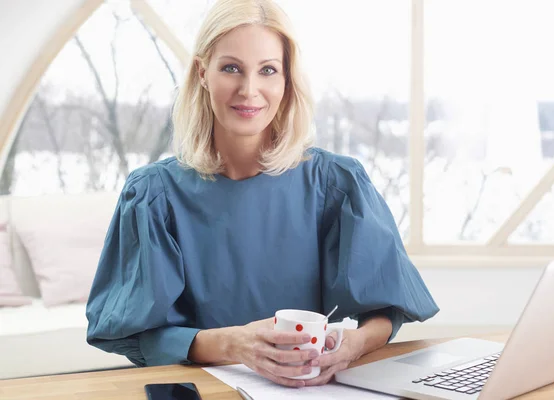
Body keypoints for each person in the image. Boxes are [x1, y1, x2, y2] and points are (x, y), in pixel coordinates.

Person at [86, 0, 439, 388]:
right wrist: (235, 344)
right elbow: (133, 333)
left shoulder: (335, 183)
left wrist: (352, 345)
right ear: (203, 73)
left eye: (268, 70)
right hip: (203, 393)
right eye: (231, 68)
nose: (248, 90)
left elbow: (386, 308)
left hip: (308, 391)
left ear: (287, 80)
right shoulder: (154, 195)